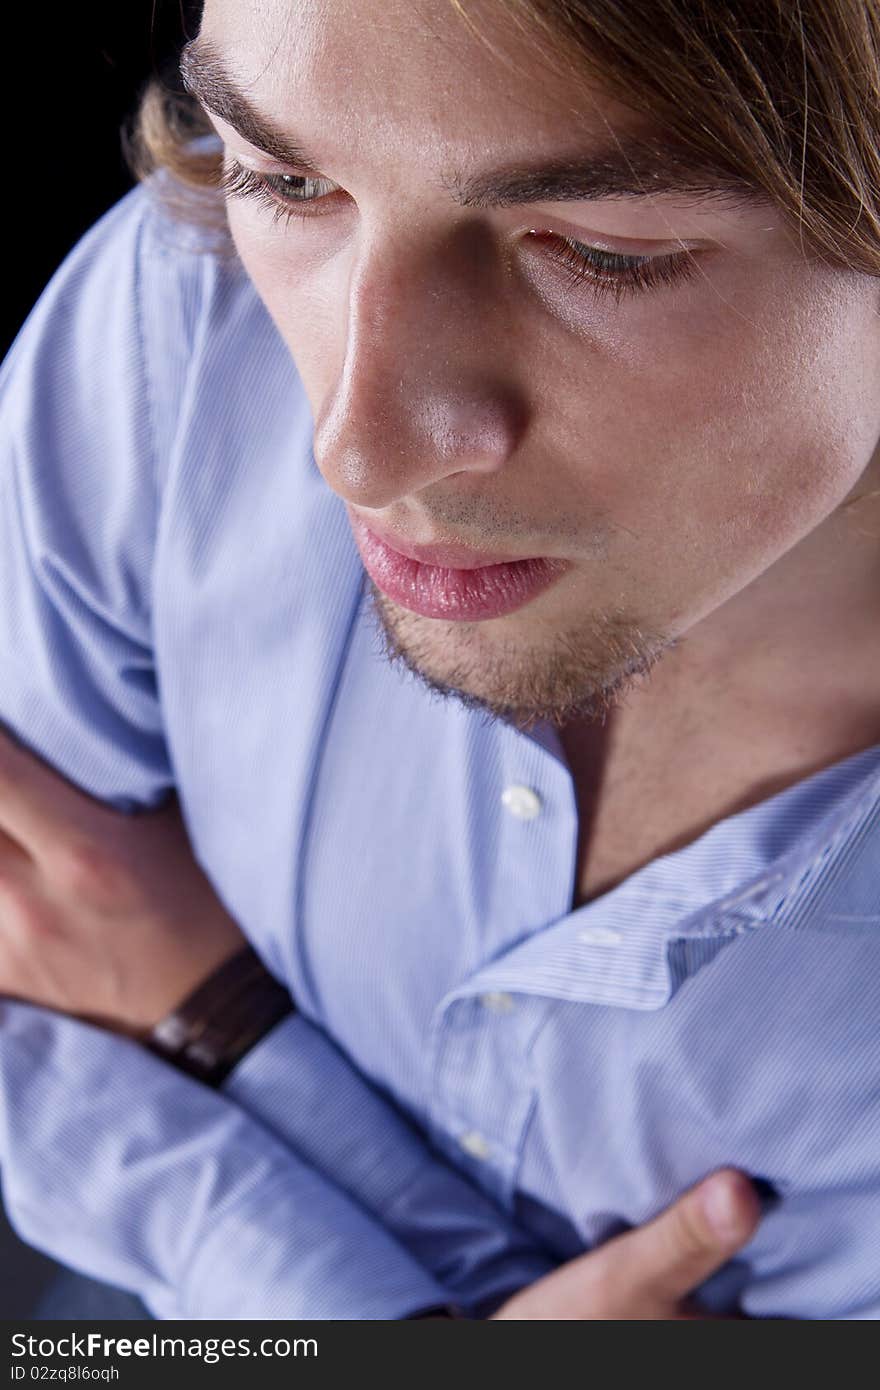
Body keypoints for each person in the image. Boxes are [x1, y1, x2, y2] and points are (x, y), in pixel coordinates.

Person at [0, 0, 878, 1320]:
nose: (354, 448)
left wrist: (221, 1027)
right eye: (288, 179)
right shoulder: (183, 329)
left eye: (599, 251)